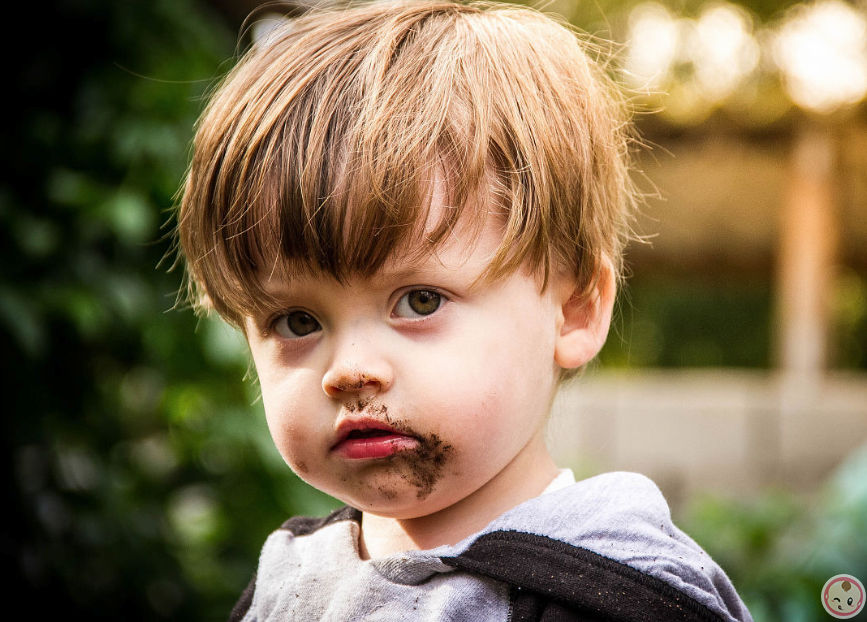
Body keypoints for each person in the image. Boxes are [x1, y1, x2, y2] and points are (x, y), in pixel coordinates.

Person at [176, 1, 752, 620]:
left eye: (419, 302)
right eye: (297, 322)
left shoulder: (619, 594)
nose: (348, 371)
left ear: (575, 310)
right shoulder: (289, 585)